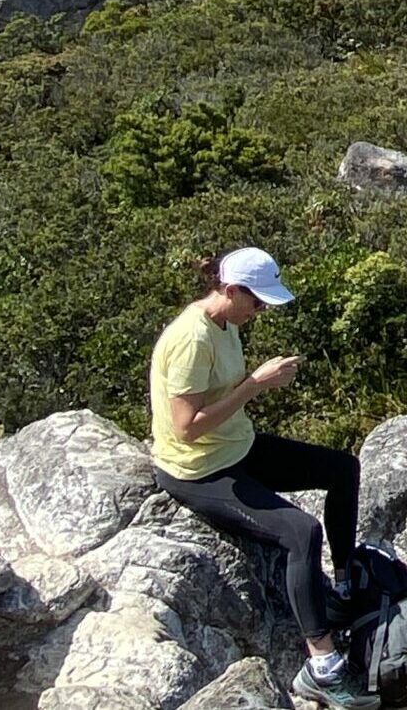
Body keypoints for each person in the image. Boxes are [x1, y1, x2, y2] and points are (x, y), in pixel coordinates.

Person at [149, 248, 378, 710]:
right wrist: (255, 383)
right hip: (198, 469)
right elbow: (186, 427)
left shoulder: (225, 322)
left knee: (342, 468)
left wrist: (252, 385)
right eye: (256, 301)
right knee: (301, 533)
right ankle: (322, 667)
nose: (259, 311)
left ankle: (344, 585)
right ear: (231, 290)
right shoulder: (192, 338)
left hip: (237, 445)